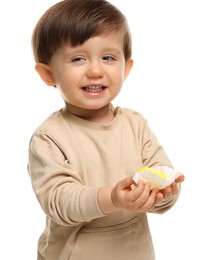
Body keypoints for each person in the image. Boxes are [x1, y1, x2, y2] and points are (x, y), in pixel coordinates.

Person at [27, 0, 185, 259]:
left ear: (126, 68)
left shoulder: (136, 125)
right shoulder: (49, 138)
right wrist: (112, 198)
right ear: (48, 74)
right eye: (78, 58)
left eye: (108, 57)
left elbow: (160, 173)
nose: (96, 70)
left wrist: (164, 192)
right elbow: (59, 201)